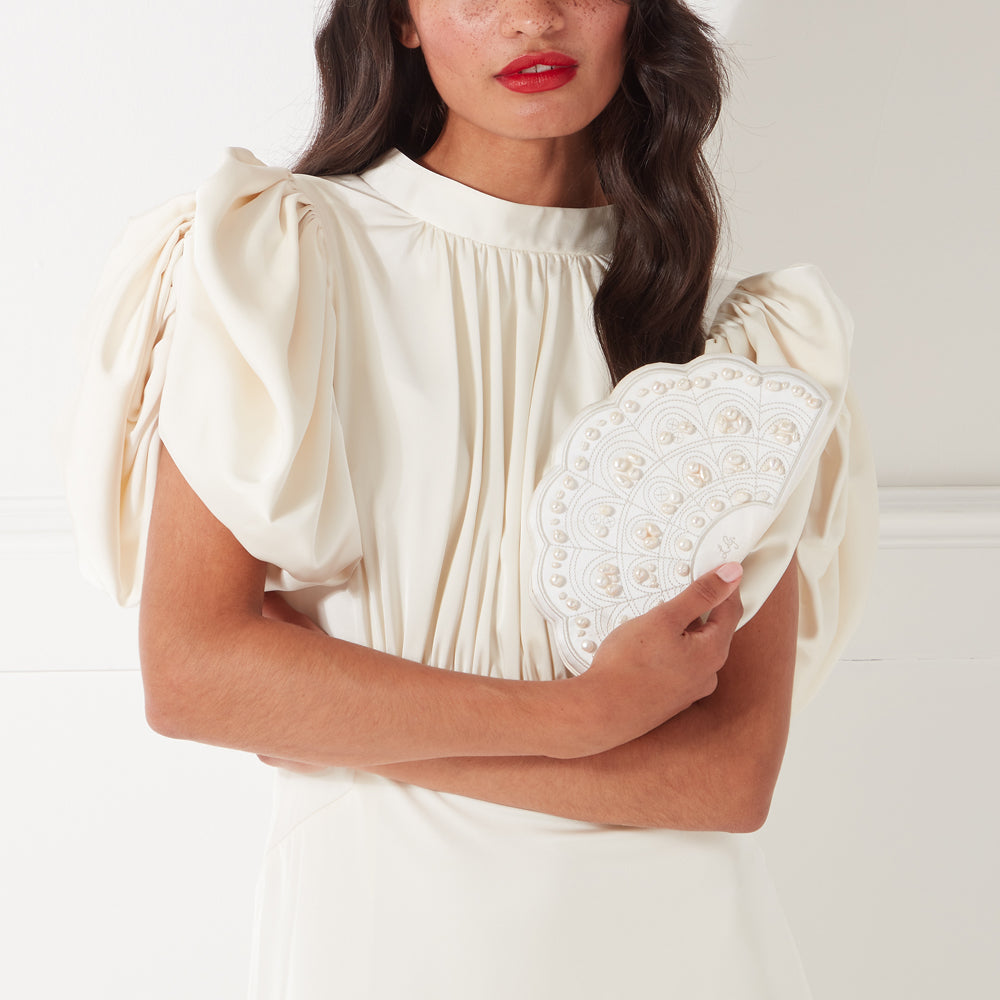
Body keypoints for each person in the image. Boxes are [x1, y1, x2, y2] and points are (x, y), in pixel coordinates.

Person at [66, 1, 877, 997]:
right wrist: (582, 715)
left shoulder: (731, 341)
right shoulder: (283, 260)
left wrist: (349, 724)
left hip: (681, 947)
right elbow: (192, 673)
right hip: (387, 940)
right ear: (401, 20)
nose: (534, 18)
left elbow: (727, 778)